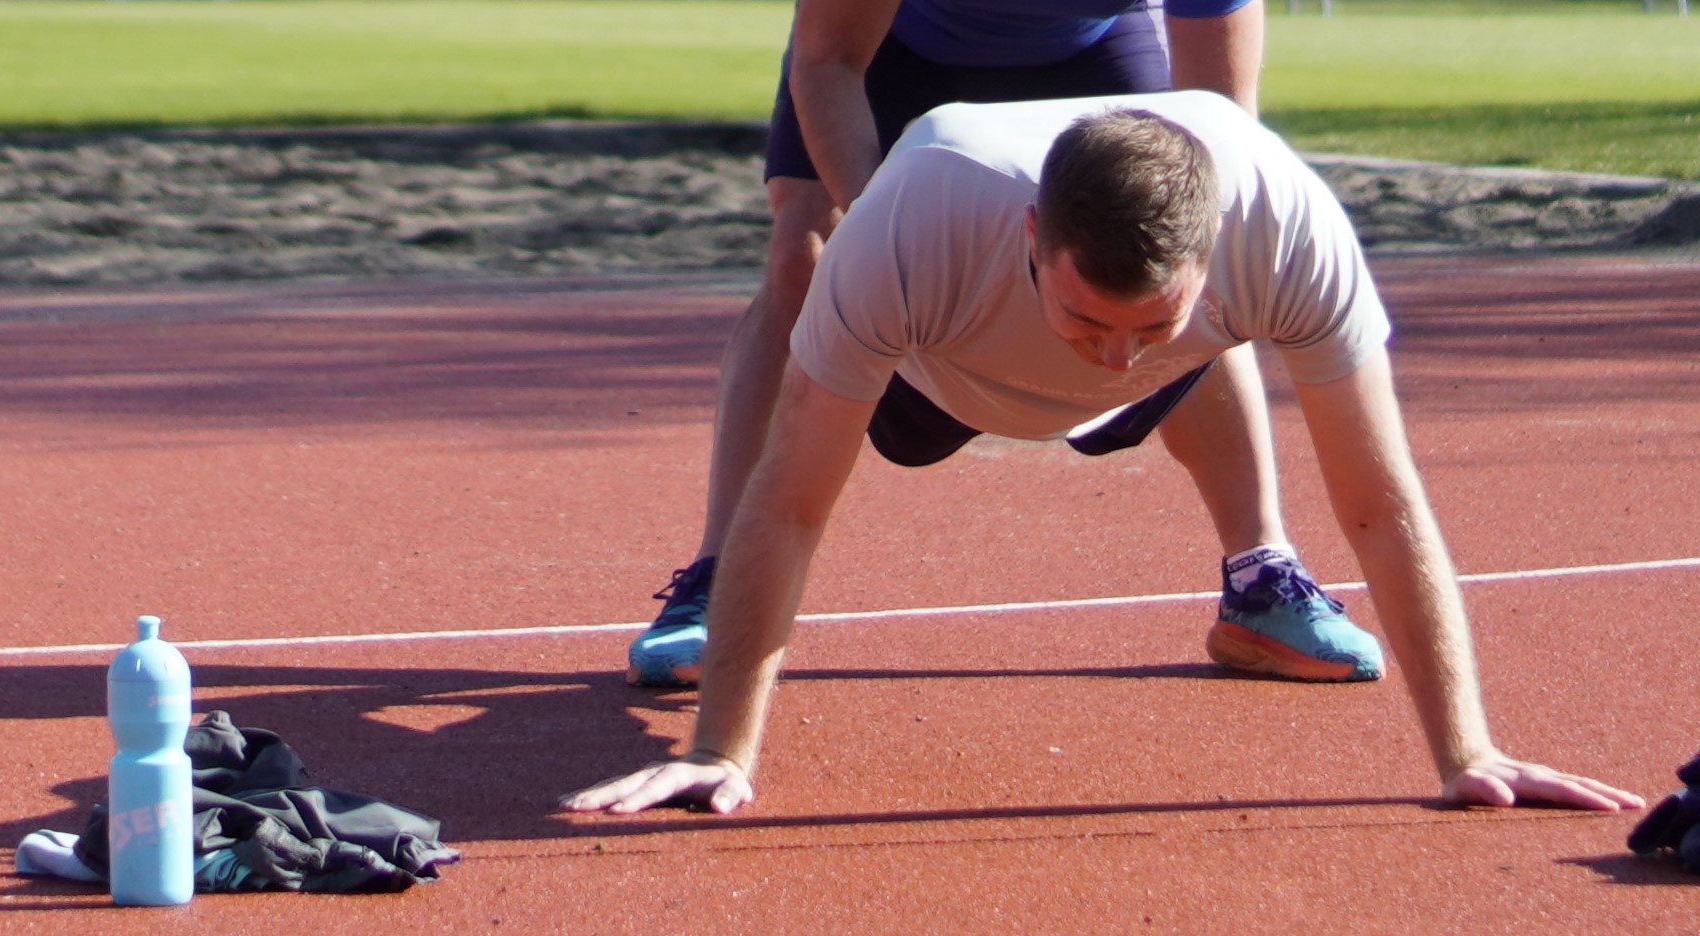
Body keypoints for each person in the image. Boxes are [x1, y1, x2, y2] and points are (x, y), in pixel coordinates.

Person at [629, 0, 1382, 697]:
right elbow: (830, 56)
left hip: (1090, 43)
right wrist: (887, 231)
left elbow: (1217, 137)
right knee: (804, 258)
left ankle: (1261, 578)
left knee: (1182, 263)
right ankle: (713, 577)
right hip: (896, 49)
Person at [565, 96, 1635, 822]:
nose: (1119, 354)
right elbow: (792, 502)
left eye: (1150, 322)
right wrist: (720, 751)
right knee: (835, 428)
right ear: (1033, 235)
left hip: (1186, 357)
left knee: (1177, 365)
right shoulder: (918, 218)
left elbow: (1381, 504)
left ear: (1214, 250)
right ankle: (702, 607)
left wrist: (1470, 753)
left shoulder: (1287, 225)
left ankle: (1258, 583)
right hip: (938, 379)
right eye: (1089, 319)